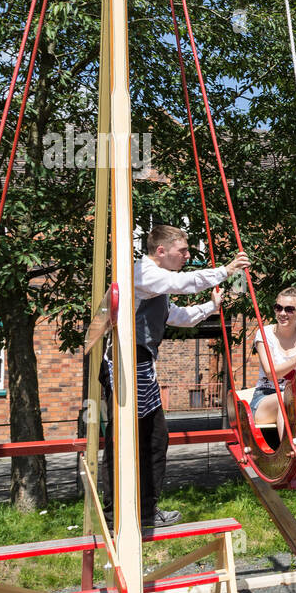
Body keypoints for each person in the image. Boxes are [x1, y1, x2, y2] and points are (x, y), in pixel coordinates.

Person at [104, 224, 249, 528]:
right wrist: (226, 270)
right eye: (182, 250)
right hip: (129, 361)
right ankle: (130, 510)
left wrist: (211, 307)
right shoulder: (145, 272)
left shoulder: (154, 285)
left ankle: (132, 507)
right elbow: (185, 282)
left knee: (147, 437)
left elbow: (176, 316)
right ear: (161, 251)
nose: (187, 255)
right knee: (143, 438)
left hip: (137, 361)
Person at [250, 286, 296, 438]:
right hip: (266, 397)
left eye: (289, 309)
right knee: (285, 400)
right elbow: (270, 373)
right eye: (278, 308)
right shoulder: (264, 333)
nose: (282, 313)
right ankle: (289, 453)